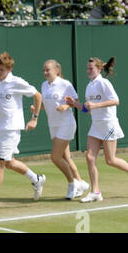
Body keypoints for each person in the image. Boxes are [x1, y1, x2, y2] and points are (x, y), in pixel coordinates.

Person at [0, 52, 45, 217]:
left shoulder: (17, 82)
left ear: (9, 68)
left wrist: (34, 118)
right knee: (9, 162)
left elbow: (37, 96)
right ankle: (37, 179)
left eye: (1, 70)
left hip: (12, 128)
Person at [65, 57, 128, 202]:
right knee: (89, 157)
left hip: (108, 124)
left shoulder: (104, 83)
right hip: (96, 125)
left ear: (99, 69)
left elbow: (115, 101)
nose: (88, 71)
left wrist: (95, 105)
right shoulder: (89, 86)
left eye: (91, 68)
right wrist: (75, 104)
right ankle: (95, 192)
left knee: (110, 160)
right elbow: (87, 109)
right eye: (87, 68)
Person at [40, 59, 89, 199]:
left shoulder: (65, 84)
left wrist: (66, 106)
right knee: (65, 157)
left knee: (55, 157)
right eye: (43, 70)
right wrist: (37, 108)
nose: (45, 72)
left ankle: (72, 183)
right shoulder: (44, 85)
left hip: (66, 123)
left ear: (56, 70)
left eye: (47, 70)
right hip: (53, 124)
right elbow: (46, 103)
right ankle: (81, 182)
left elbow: (75, 101)